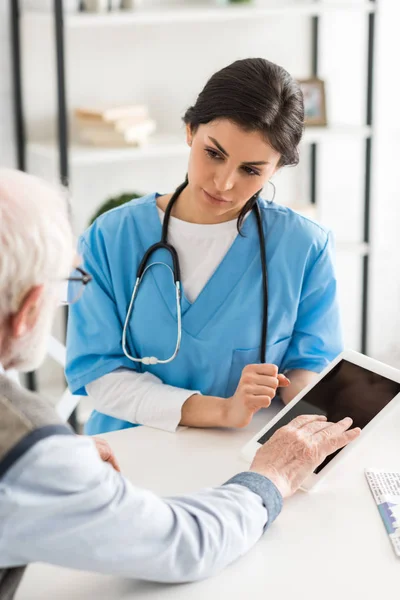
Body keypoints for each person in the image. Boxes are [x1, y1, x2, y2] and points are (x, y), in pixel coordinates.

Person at [0, 168, 360, 599]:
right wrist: (270, 477)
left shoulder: (303, 241)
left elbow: (311, 361)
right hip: (160, 476)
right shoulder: (23, 446)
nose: (225, 183)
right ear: (29, 309)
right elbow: (182, 544)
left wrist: (57, 461)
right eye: (68, 285)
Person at [66, 58, 343, 436]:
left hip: (241, 455)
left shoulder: (304, 247)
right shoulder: (109, 238)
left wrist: (324, 413)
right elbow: (101, 375)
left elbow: (308, 368)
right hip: (131, 450)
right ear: (190, 131)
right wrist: (222, 410)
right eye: (214, 154)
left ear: (276, 168)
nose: (224, 183)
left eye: (251, 170)